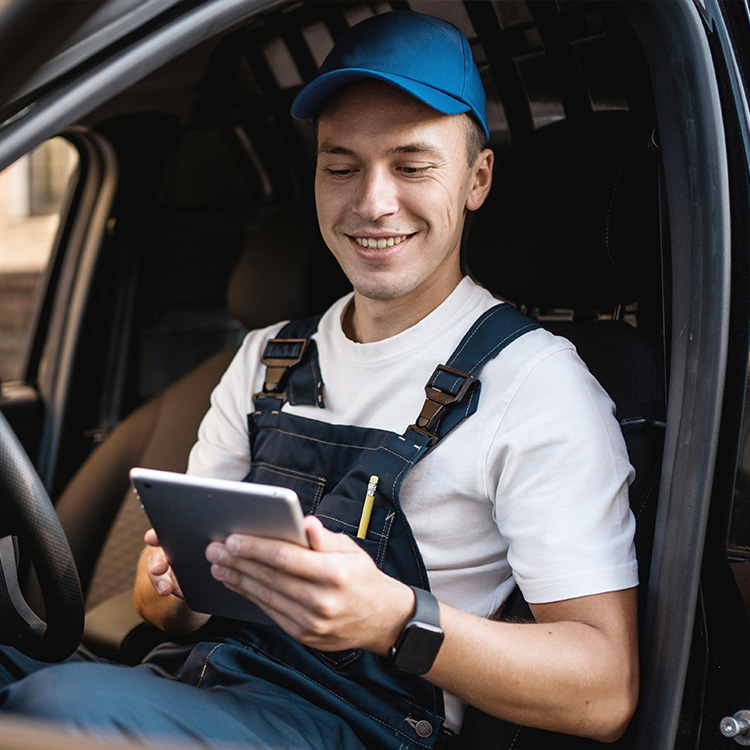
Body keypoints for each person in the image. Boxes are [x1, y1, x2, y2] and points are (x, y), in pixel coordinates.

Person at [0, 10, 638, 749]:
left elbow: (605, 686)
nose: (371, 202)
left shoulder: (535, 383)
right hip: (202, 687)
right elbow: (163, 609)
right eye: (341, 166)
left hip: (354, 729)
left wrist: (395, 618)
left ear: (476, 179)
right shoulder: (267, 358)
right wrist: (172, 587)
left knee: (50, 707)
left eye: (411, 165)